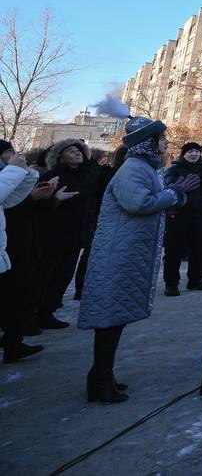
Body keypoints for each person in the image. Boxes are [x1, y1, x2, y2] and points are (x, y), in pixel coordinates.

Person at [77, 117, 200, 404]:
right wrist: (176, 191)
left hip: (129, 250)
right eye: (162, 138)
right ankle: (99, 380)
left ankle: (102, 375)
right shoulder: (134, 168)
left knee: (116, 316)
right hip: (118, 253)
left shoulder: (146, 167)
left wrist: (175, 193)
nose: (166, 142)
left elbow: (155, 198)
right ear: (148, 143)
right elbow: (139, 203)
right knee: (110, 316)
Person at [1, 143, 61, 363]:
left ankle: (13, 343)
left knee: (14, 297)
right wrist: (15, 171)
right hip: (12, 243)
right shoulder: (8, 174)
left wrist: (45, 196)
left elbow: (15, 200)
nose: (14, 155)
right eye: (8, 152)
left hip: (20, 242)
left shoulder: (10, 174)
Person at [35, 138, 96, 328]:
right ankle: (32, 315)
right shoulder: (53, 176)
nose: (77, 152)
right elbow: (38, 203)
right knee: (45, 276)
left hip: (76, 235)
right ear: (60, 158)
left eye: (79, 150)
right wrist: (54, 198)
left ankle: (47, 312)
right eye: (70, 151)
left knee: (63, 277)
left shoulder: (86, 176)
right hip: (53, 236)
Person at [162, 143, 202, 295]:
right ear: (183, 154)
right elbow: (168, 187)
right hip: (178, 215)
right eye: (190, 151)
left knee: (199, 249)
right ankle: (171, 284)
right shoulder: (175, 168)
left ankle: (195, 279)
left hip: (200, 215)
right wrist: (179, 186)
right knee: (174, 251)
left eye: (197, 151)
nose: (194, 154)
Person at [74, 146, 123, 301]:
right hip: (101, 219)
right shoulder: (110, 173)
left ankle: (85, 290)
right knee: (92, 254)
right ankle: (82, 290)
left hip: (104, 219)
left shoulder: (111, 172)